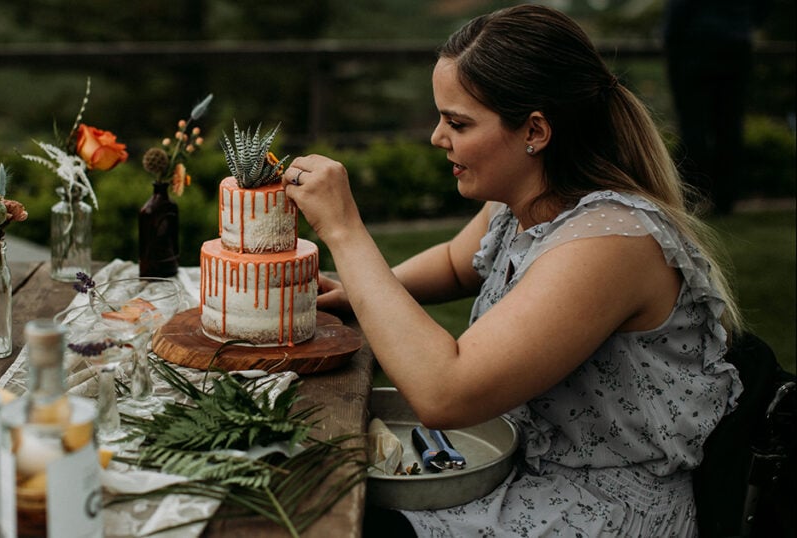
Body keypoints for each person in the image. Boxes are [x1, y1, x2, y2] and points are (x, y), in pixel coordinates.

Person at [283, 5, 743, 537]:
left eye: (457, 122)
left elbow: (445, 392)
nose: (437, 137)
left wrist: (344, 231)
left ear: (536, 131)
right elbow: (458, 265)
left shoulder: (611, 242)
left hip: (594, 508)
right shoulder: (524, 204)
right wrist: (359, 291)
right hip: (516, 470)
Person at [663, 0, 769, 215]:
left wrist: (672, 40)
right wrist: (741, 24)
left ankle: (690, 194)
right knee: (730, 126)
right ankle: (725, 199)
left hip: (695, 46)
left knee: (693, 126)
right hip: (737, 46)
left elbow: (677, 11)